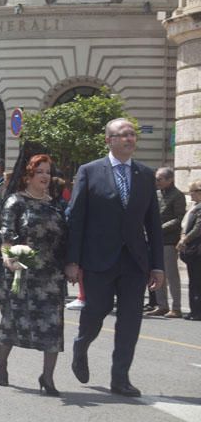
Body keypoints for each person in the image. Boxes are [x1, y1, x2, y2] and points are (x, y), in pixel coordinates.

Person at [66, 118, 164, 397]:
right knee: (95, 313)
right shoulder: (89, 171)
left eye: (132, 134)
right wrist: (73, 260)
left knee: (131, 320)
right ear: (108, 140)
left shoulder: (145, 174)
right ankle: (81, 345)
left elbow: (153, 224)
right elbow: (77, 218)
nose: (129, 139)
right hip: (98, 259)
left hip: (134, 260)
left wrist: (157, 265)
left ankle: (120, 378)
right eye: (123, 135)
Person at [0, 154, 68, 396]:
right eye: (40, 172)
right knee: (13, 322)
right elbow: (5, 234)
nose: (45, 176)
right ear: (28, 175)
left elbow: (65, 239)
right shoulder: (16, 202)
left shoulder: (55, 204)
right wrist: (8, 257)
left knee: (53, 325)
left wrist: (71, 264)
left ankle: (47, 377)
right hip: (20, 274)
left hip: (51, 275)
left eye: (48, 171)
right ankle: (2, 362)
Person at [148, 167, 186, 318]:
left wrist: (159, 228)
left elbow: (179, 218)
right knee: (156, 272)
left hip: (169, 240)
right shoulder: (156, 194)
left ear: (170, 180)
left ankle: (176, 307)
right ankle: (162, 305)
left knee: (171, 274)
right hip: (155, 239)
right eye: (156, 179)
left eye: (160, 179)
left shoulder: (177, 196)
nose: (157, 182)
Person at [177, 180, 201, 321]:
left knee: (196, 282)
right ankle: (195, 310)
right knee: (194, 282)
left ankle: (197, 312)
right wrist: (182, 236)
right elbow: (185, 226)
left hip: (197, 250)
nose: (190, 194)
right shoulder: (195, 206)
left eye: (192, 191)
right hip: (191, 249)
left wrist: (184, 240)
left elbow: (198, 228)